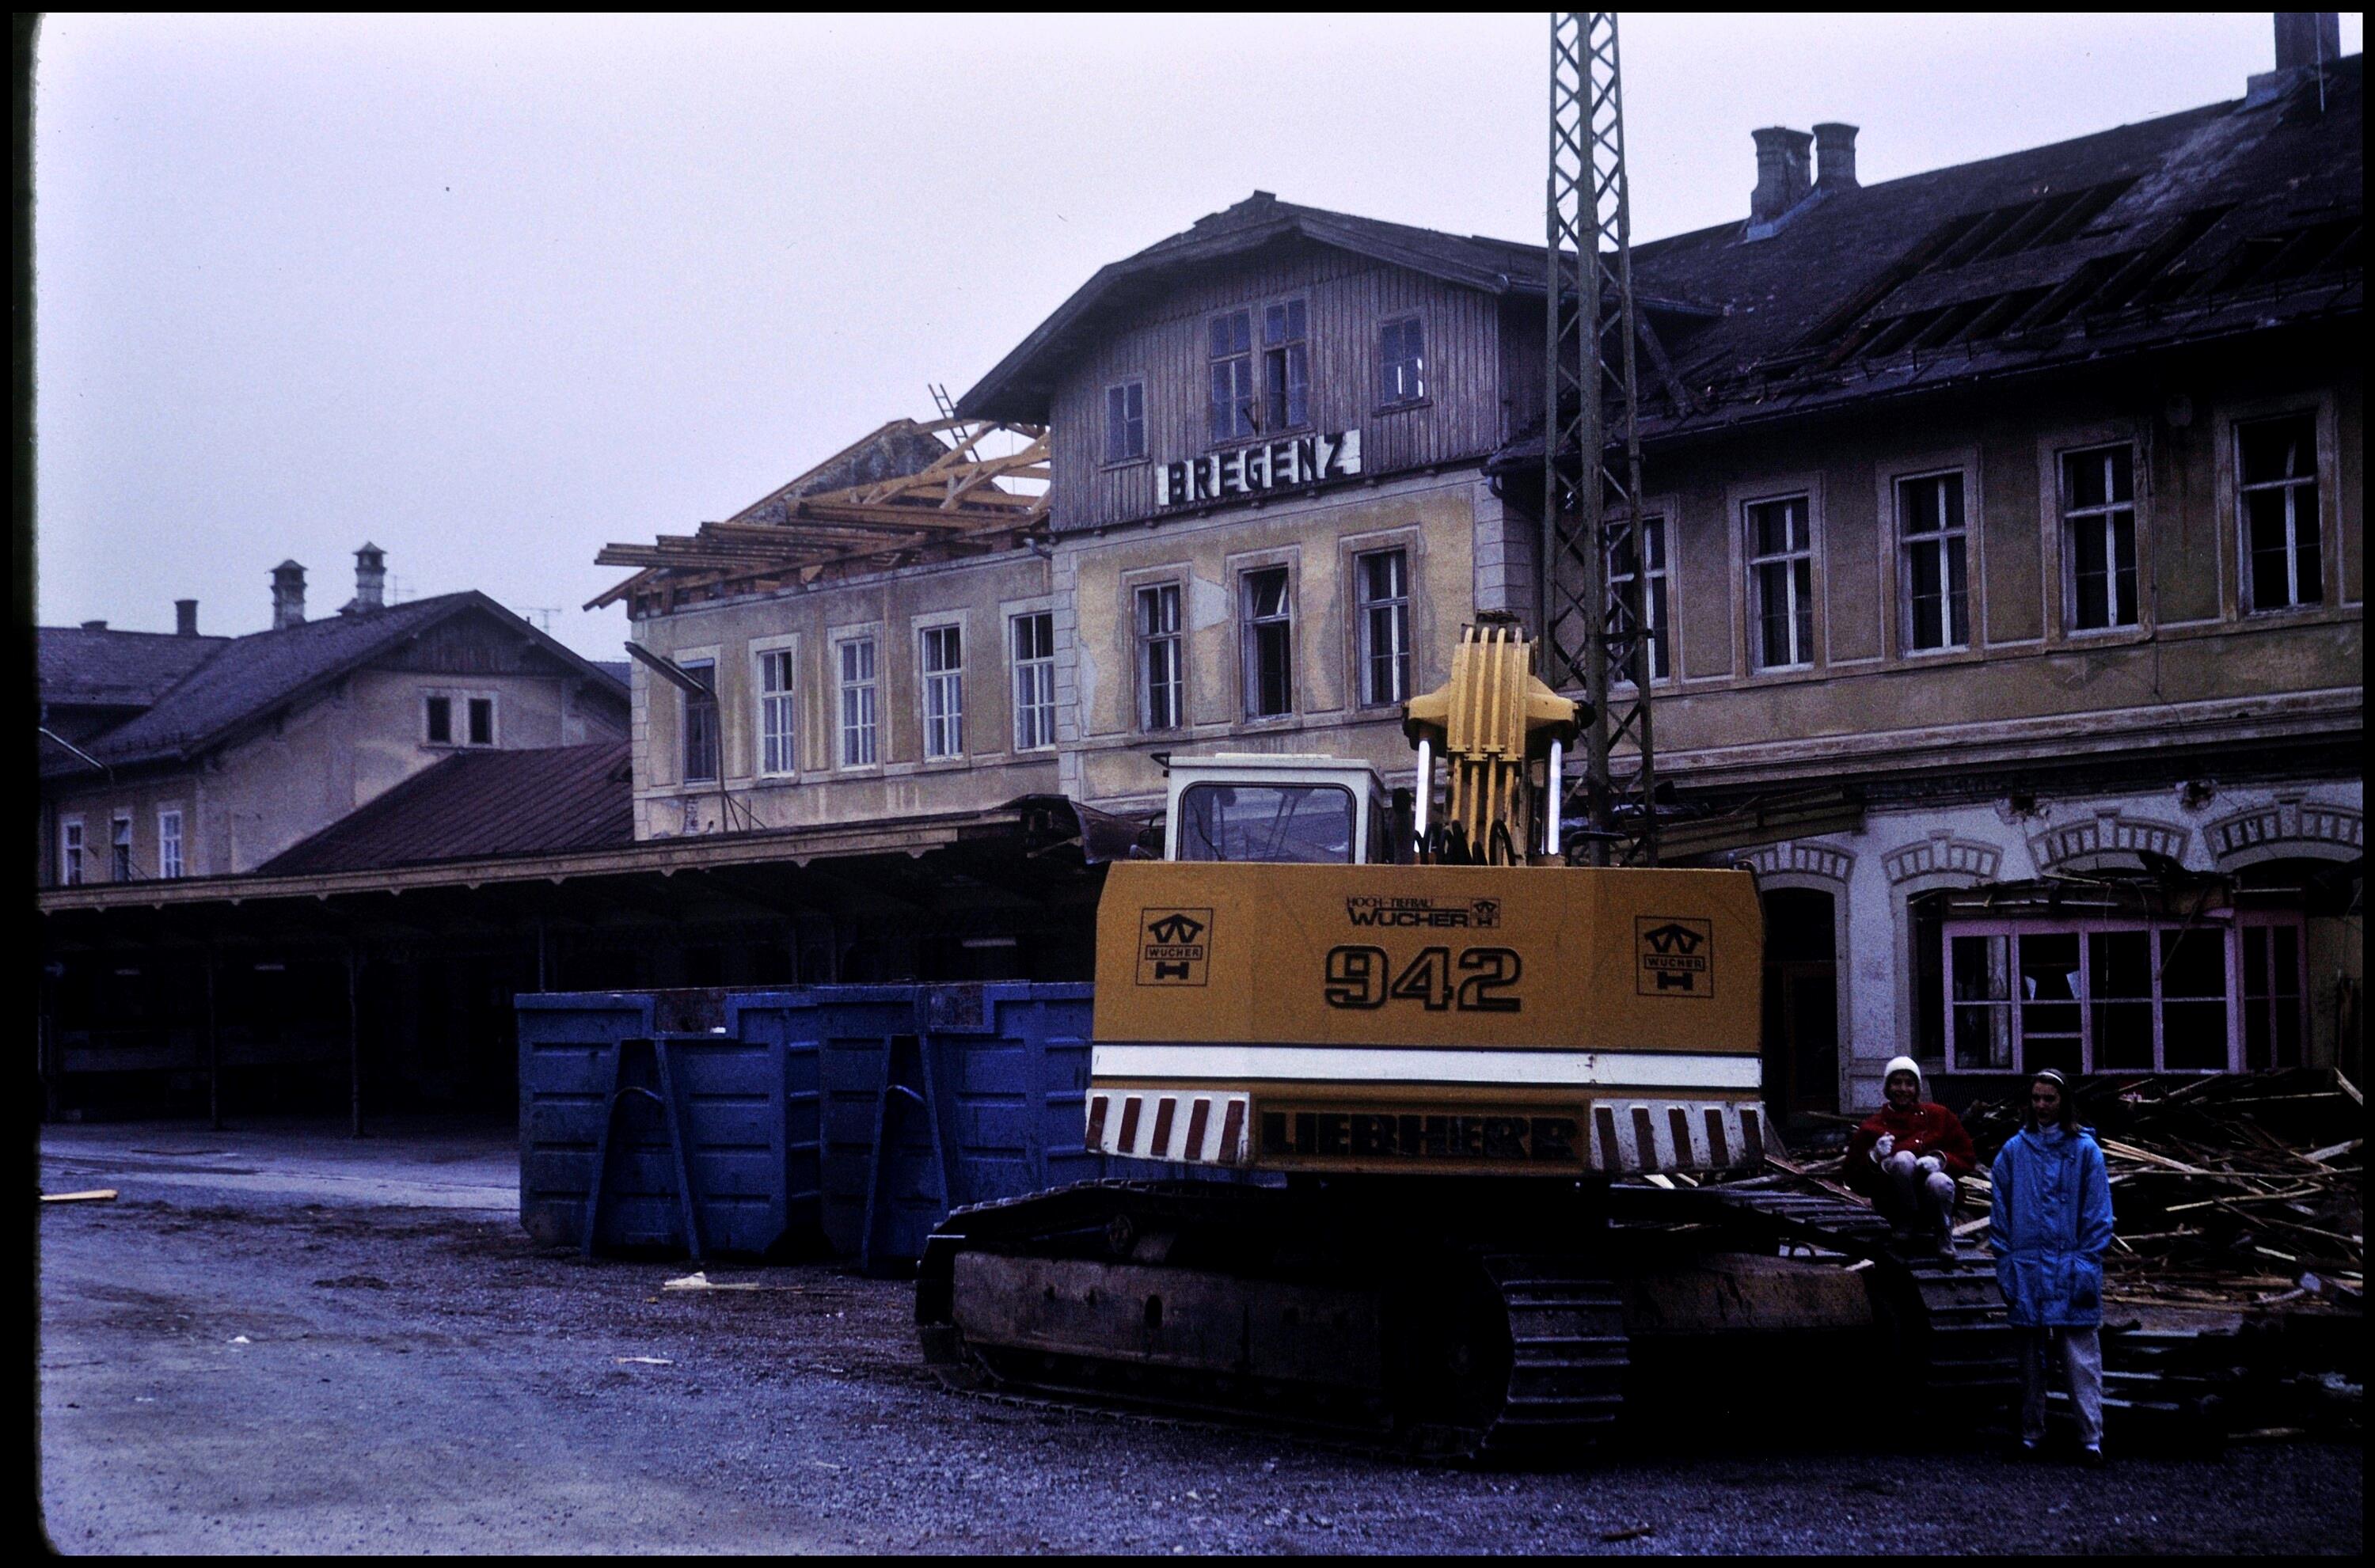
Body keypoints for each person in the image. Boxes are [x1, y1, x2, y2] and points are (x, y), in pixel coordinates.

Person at [1989, 1068, 2115, 1466]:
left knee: (2081, 1359)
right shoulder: (2013, 1152)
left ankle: (2090, 1438)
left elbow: (2099, 1216)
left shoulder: (2085, 1152)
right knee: (2029, 1361)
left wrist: (2085, 1262)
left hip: (2073, 1268)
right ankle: (2030, 1433)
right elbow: (2000, 1216)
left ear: (2064, 1102)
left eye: (2050, 1098)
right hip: (2027, 1269)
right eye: (2037, 1098)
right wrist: (2007, 1262)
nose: (2043, 1105)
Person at [1845, 1055, 1976, 1256]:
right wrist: (1874, 1157)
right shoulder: (1872, 1127)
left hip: (1933, 1204)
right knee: (1903, 1159)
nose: (1903, 1089)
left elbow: (1968, 1157)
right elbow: (1854, 1180)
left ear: (1917, 1088)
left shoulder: (1939, 1116)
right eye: (1897, 1083)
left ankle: (1944, 1232)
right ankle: (1906, 1219)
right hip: (1893, 1206)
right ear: (1887, 1087)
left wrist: (1941, 1160)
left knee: (1939, 1181)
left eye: (1909, 1083)